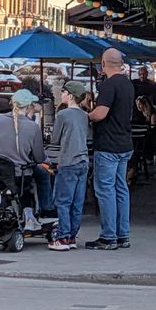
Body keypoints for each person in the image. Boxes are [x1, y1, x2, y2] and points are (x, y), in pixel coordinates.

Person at [86, 49, 134, 250]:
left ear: (104, 63)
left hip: (108, 145)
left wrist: (86, 114)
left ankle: (108, 237)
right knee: (121, 189)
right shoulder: (127, 84)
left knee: (105, 190)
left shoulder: (108, 85)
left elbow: (100, 114)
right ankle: (123, 235)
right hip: (125, 143)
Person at [0, 89, 52, 231]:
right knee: (41, 173)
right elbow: (39, 157)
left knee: (7, 183)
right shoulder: (32, 126)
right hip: (19, 175)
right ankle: (43, 211)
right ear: (29, 106)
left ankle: (8, 213)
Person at [49, 81, 90, 251]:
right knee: (77, 202)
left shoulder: (63, 115)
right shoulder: (84, 115)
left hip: (68, 160)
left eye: (64, 92)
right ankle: (72, 236)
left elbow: (55, 139)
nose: (62, 94)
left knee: (63, 201)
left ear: (71, 96)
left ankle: (63, 237)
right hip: (83, 160)